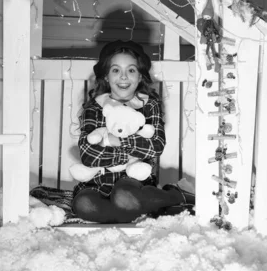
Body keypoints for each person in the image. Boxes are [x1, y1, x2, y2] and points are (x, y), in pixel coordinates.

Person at [72, 40, 193, 223]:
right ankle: (136, 209)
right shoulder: (95, 108)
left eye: (131, 70)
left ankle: (176, 196)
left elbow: (155, 146)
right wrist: (129, 152)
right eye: (115, 70)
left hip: (135, 179)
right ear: (106, 76)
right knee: (82, 205)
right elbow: (88, 154)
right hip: (98, 181)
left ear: (139, 76)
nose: (123, 77)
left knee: (124, 196)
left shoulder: (148, 105)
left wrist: (118, 141)